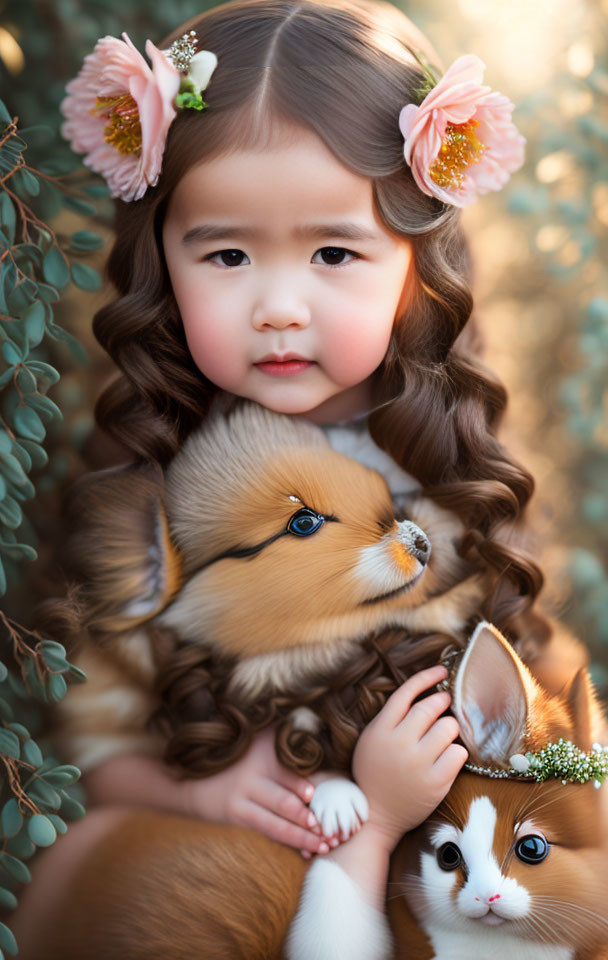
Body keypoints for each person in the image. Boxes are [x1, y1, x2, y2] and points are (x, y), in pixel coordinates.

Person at [12, 0, 551, 951]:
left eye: (334, 252)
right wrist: (211, 788)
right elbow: (92, 751)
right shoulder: (161, 491)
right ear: (161, 267)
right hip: (221, 893)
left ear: (416, 269)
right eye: (226, 253)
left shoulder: (453, 482)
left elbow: (547, 741)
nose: (278, 306)